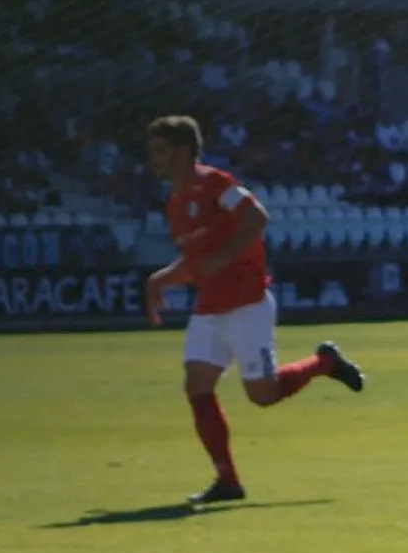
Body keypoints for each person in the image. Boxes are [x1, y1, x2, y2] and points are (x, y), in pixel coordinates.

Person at [143, 115, 363, 505]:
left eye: (160, 149)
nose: (152, 156)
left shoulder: (215, 184)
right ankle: (227, 481)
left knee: (262, 395)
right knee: (197, 387)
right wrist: (161, 280)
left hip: (247, 305)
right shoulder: (176, 203)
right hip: (209, 309)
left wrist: (225, 257)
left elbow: (256, 216)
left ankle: (323, 363)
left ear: (182, 151)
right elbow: (197, 263)